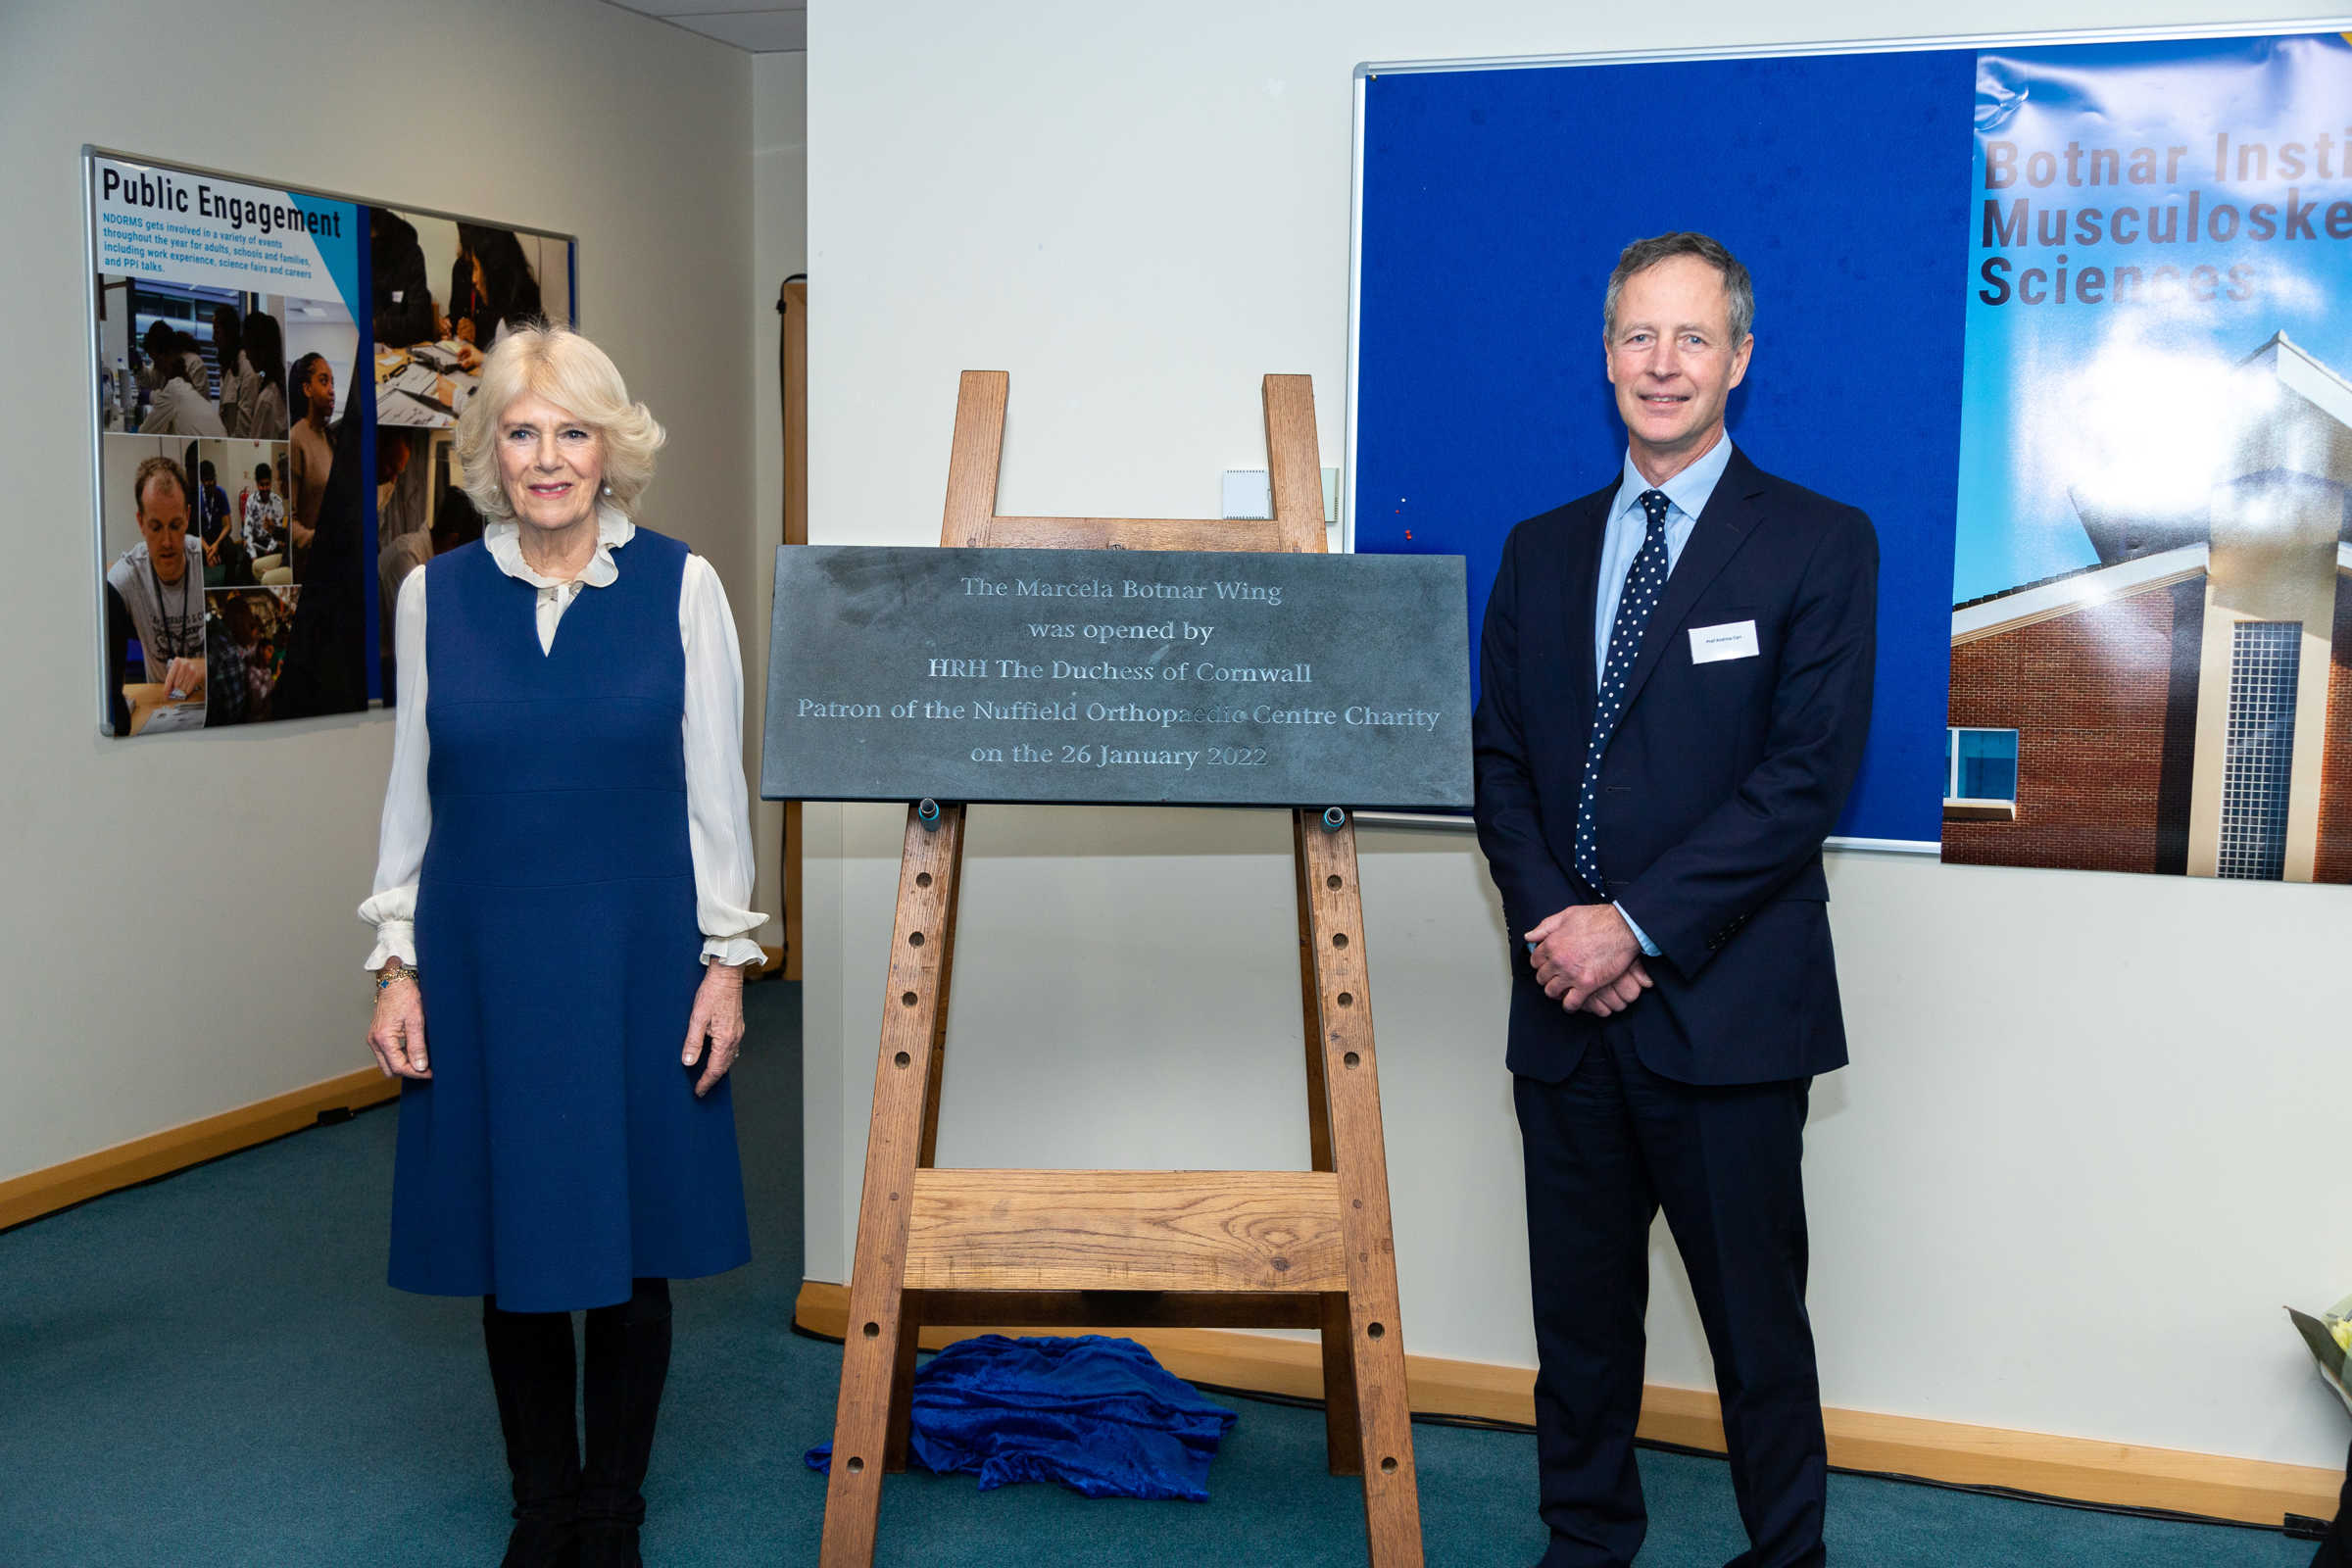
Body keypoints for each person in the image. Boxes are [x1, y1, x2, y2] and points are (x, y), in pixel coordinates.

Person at [1471, 231, 1878, 1568]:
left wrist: (1628, 927)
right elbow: (1504, 766)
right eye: (1639, 337)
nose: (1663, 364)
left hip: (1730, 1017)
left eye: (1692, 338)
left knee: (1759, 1334)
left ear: (1739, 361)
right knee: (1579, 1332)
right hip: (1568, 1017)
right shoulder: (1537, 553)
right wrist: (1561, 934)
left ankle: (1785, 1557)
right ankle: (1583, 1545)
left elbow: (1801, 783)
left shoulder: (1819, 543)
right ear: (1606, 358)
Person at [359, 322, 763, 1568]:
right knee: (513, 1242)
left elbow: (717, 796)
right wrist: (396, 961)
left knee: (632, 1247)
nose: (547, 459)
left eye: (572, 432)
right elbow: (411, 793)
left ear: (611, 448)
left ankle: (614, 1508)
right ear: (489, 449)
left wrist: (726, 962)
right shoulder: (434, 594)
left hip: (639, 959)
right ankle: (544, 1510)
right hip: (484, 964)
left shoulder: (682, 586)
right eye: (523, 432)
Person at [105, 454, 207, 699]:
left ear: (188, 517)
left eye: (175, 525)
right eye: (156, 527)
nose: (167, 542)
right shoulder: (127, 576)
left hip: (213, 704)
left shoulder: (206, 564)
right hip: (163, 705)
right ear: (140, 522)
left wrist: (206, 666)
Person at [449, 222, 544, 348]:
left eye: (477, 269)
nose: (473, 279)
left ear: (493, 273)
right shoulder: (509, 316)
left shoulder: (520, 328)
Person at [287, 352, 335, 580]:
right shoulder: (296, 440)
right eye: (324, 381)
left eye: (332, 383)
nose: (332, 390)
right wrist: (319, 539)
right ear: (307, 389)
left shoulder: (329, 437)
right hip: (308, 567)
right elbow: (288, 520)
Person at [371, 207, 438, 349]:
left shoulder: (410, 253)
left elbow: (418, 323)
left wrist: (377, 327)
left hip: (406, 349)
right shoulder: (359, 252)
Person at [213, 304, 257, 438]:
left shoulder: (246, 366)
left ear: (229, 332)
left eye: (217, 332)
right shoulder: (230, 366)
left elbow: (245, 424)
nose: (214, 338)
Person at [244, 311, 289, 439]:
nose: (246, 355)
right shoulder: (277, 387)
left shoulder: (267, 399)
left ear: (260, 350)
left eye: (248, 347)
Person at [242, 461, 287, 562]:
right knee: (245, 561)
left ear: (271, 482)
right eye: (262, 485)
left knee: (278, 558)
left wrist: (269, 550)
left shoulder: (277, 502)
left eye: (267, 484)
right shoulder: (251, 500)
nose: (265, 488)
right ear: (257, 484)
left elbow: (278, 532)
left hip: (272, 543)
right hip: (256, 542)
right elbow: (247, 531)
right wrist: (253, 555)